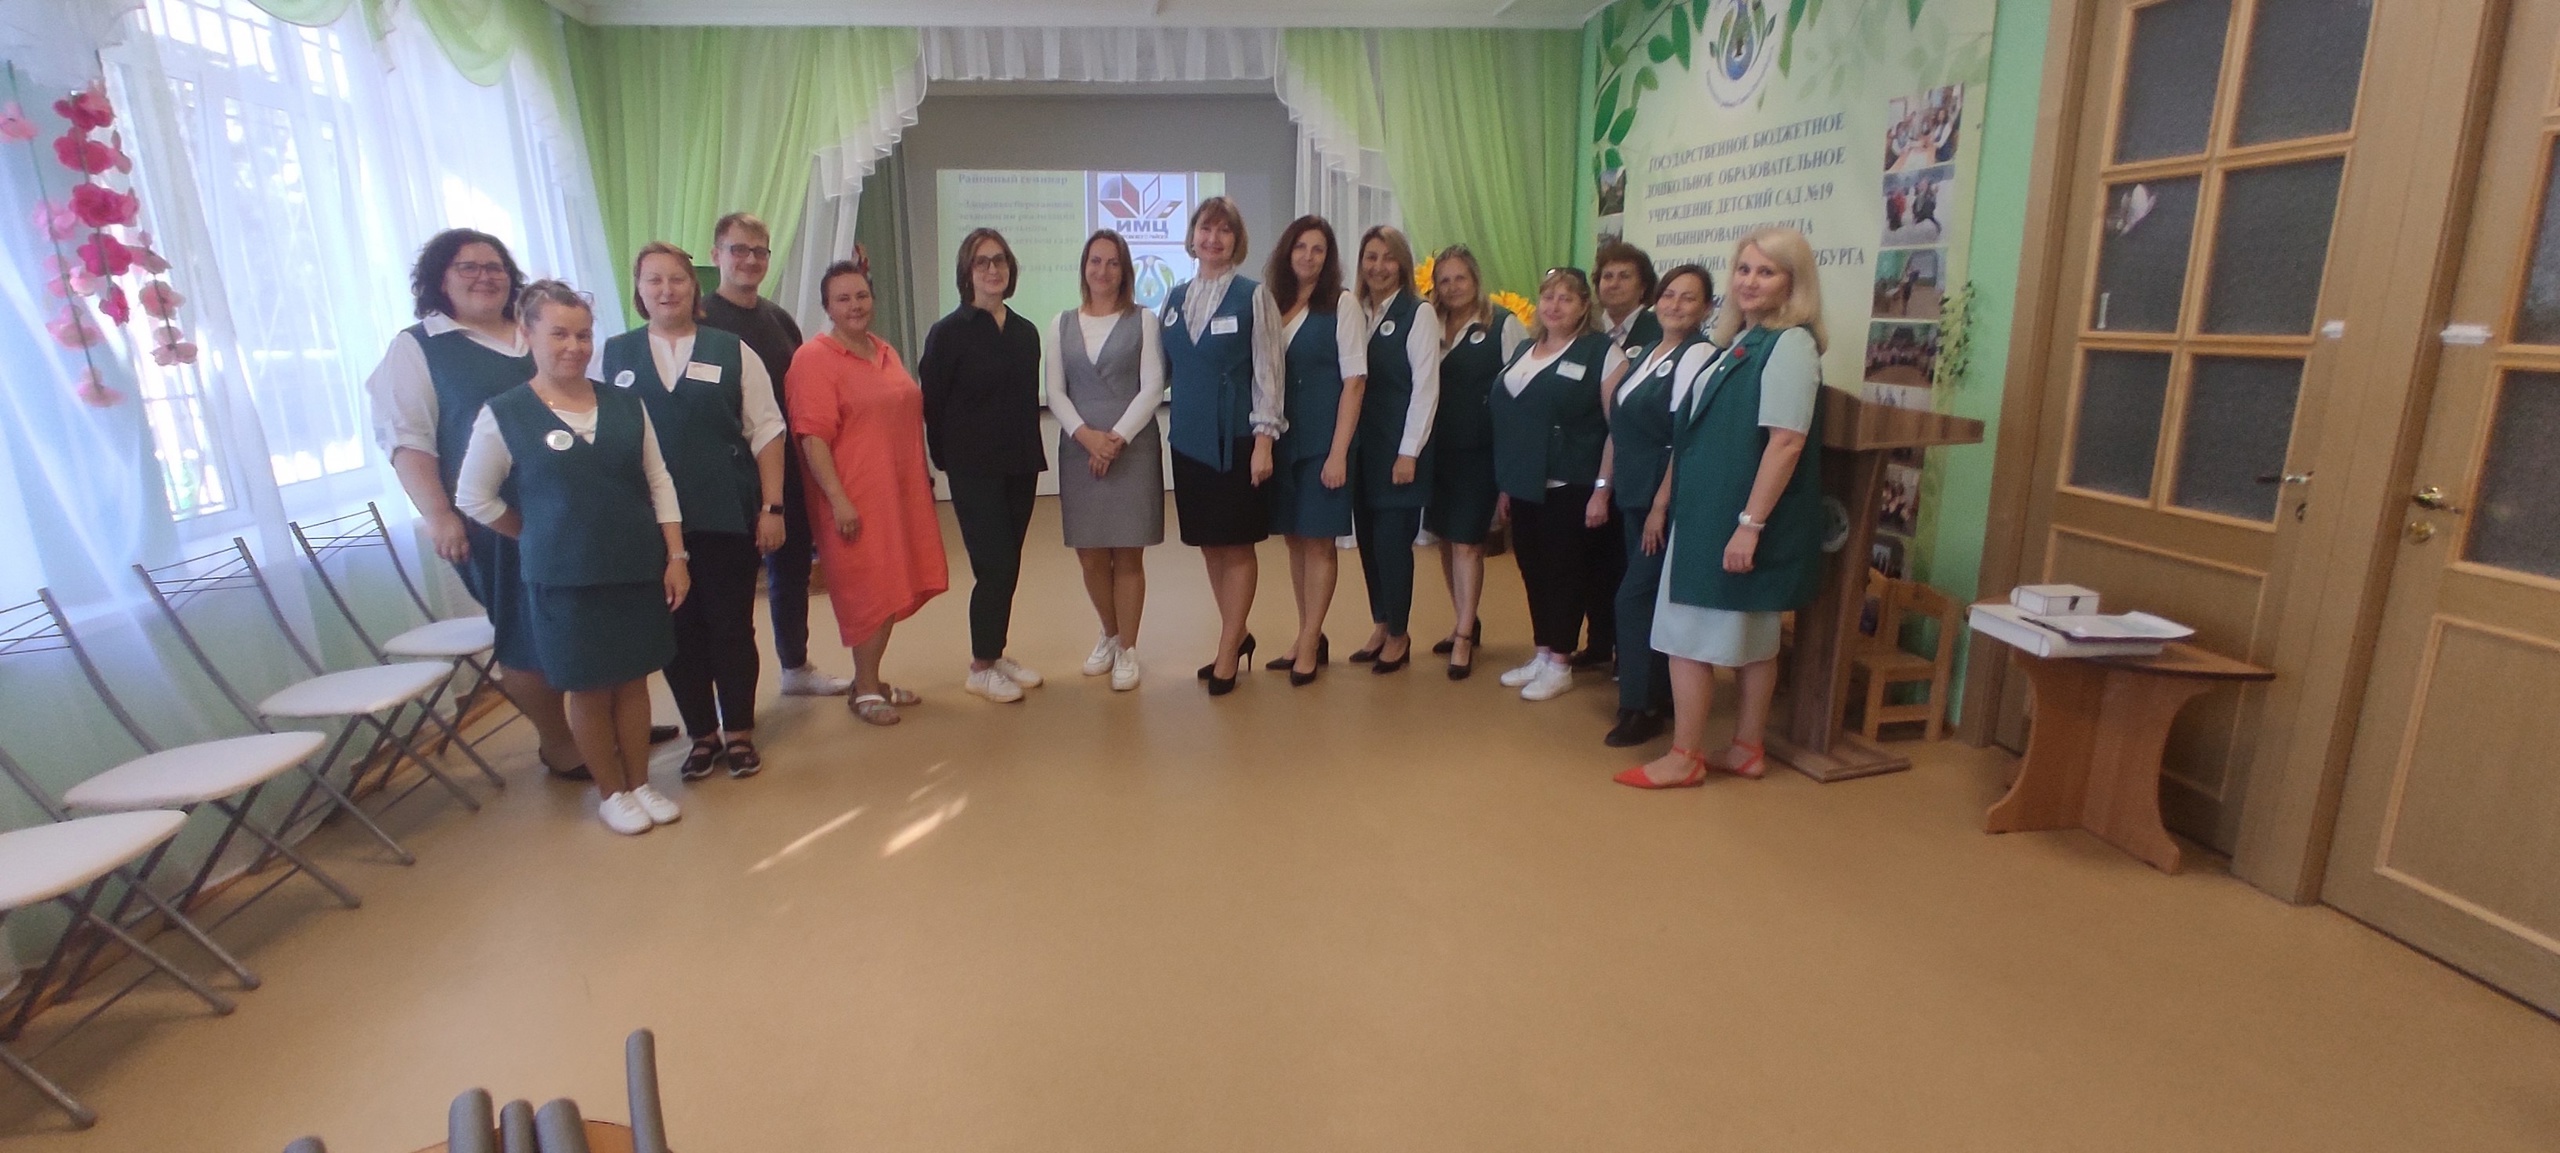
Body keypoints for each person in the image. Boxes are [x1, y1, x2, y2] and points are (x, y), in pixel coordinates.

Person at [454, 280, 687, 836]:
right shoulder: (505, 414)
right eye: (559, 334)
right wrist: (533, 533)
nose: (574, 347)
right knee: (588, 685)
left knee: (633, 680)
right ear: (527, 334)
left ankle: (641, 782)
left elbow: (659, 481)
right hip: (564, 578)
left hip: (634, 564)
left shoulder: (625, 405)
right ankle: (611, 793)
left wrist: (676, 554)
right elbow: (473, 497)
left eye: (583, 335)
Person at [365, 229, 593, 782]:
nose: (484, 277)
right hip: (496, 522)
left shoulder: (535, 332)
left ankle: (601, 727)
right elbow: (409, 442)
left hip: (572, 512)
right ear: (440, 279)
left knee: (588, 620)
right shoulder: (420, 347)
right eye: (467, 267)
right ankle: (559, 743)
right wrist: (440, 515)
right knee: (526, 631)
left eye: (495, 267)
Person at [1619, 226, 1828, 789]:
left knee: (1685, 638)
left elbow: (1786, 442)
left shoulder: (1789, 344)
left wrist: (1749, 526)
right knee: (1753, 639)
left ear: (1794, 283)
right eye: (1744, 269)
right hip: (1711, 511)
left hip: (1732, 517)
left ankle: (1684, 756)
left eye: (1767, 272)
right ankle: (1746, 748)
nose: (1750, 281)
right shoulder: (1745, 340)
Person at [602, 242, 786, 783]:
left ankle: (739, 732)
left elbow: (767, 430)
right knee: (678, 634)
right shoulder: (613, 356)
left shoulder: (731, 350)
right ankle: (702, 734)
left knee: (731, 627)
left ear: (694, 286)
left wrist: (772, 506)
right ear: (639, 291)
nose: (666, 290)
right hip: (650, 527)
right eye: (653, 280)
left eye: (677, 279)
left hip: (723, 514)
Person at [787, 254, 950, 726]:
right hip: (852, 499)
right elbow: (812, 438)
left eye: (861, 295)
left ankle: (871, 679)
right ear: (827, 307)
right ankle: (864, 688)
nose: (855, 305)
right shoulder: (813, 360)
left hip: (898, 494)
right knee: (868, 592)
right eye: (843, 299)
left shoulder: (883, 350)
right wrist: (839, 500)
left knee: (892, 585)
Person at [699, 211, 851, 700]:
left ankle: (795, 666)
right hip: (726, 480)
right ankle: (730, 696)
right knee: (730, 592)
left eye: (759, 251)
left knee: (790, 574)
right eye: (738, 250)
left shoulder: (779, 319)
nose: (749, 260)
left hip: (784, 471)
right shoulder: (699, 322)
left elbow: (802, 394)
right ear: (716, 255)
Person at [918, 227, 1048, 703]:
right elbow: (932, 403)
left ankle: (995, 653)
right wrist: (942, 460)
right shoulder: (948, 333)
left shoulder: (1025, 332)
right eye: (982, 262)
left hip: (1021, 463)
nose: (993, 269)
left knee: (1008, 564)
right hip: (973, 468)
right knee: (993, 565)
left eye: (1000, 260)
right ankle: (979, 666)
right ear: (967, 272)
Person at [1161, 197, 1279, 696]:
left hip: (1237, 438)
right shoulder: (1173, 298)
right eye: (1205, 229)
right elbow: (1161, 372)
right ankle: (1238, 631)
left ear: (1237, 240)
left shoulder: (1253, 296)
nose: (1213, 239)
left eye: (1224, 231)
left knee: (1237, 543)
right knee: (1210, 542)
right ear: (1192, 237)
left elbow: (1269, 373)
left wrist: (1264, 442)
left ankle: (1228, 647)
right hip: (1188, 440)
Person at [1596, 265, 1717, 748]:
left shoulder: (1697, 354)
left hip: (1661, 501)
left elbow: (1682, 439)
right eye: (1669, 295)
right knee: (1647, 600)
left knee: (1633, 599)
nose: (1675, 305)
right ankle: (1659, 694)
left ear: (1706, 308)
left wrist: (1660, 506)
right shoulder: (1647, 352)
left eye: (1689, 298)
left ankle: (1639, 706)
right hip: (1633, 493)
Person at [1488, 268, 1615, 703]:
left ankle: (1561, 663)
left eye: (1566, 298)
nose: (1555, 306)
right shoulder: (1524, 349)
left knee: (1564, 574)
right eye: (1548, 297)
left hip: (1572, 483)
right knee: (1533, 571)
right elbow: (1516, 418)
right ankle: (1543, 652)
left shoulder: (1601, 352)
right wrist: (1507, 484)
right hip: (1525, 483)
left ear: (1584, 307)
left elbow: (1617, 429)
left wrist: (1602, 488)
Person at [1047, 229, 1165, 692]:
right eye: (1095, 261)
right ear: (1084, 268)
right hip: (1079, 450)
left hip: (1132, 450)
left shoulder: (1145, 320)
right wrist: (1087, 437)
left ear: (1125, 270)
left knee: (1128, 552)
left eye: (1113, 262)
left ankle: (1129, 650)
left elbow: (1152, 387)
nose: (1103, 270)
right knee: (1091, 554)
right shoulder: (1059, 324)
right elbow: (1055, 391)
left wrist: (1114, 440)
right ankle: (1110, 634)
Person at [1254, 215, 1366, 686]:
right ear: (1287, 251)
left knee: (1319, 542)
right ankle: (1307, 635)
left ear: (1329, 257)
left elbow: (1354, 382)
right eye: (1300, 246)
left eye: (1318, 249)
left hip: (1325, 445)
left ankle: (1309, 640)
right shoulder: (1272, 304)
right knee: (1295, 541)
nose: (1308, 256)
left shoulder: (1342, 305)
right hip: (1283, 443)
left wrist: (1339, 453)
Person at [1421, 246, 1523, 681]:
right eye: (1444, 280)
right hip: (1437, 451)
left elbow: (1519, 392)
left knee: (1468, 543)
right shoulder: (1428, 323)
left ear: (1475, 279)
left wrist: (1511, 461)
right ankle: (1465, 618)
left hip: (1480, 453)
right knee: (1447, 539)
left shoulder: (1503, 324)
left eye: (1460, 278)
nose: (1452, 287)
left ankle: (1464, 636)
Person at [1346, 225, 1441, 675]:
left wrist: (1409, 452)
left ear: (1402, 264)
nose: (1378, 266)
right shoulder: (1355, 310)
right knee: (1368, 541)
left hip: (1399, 449)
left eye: (1388, 258)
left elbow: (1426, 388)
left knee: (1391, 544)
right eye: (1371, 257)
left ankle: (1400, 634)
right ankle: (1381, 623)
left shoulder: (1418, 313)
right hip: (1361, 448)